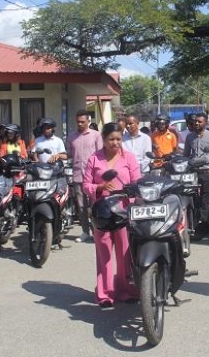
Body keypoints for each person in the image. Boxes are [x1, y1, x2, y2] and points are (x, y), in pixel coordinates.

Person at [83, 122, 140, 309]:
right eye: (111, 139)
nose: (115, 143)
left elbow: (137, 182)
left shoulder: (129, 158)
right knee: (104, 254)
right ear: (103, 139)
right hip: (103, 212)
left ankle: (126, 291)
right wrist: (99, 187)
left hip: (124, 211)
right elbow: (86, 185)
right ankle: (105, 294)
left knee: (125, 253)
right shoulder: (94, 159)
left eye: (118, 139)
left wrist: (132, 195)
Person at [67, 109, 103, 243]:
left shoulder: (96, 135)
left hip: (94, 178)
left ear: (88, 121)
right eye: (78, 122)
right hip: (78, 176)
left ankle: (97, 231)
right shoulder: (71, 136)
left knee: (95, 205)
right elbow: (69, 154)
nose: (80, 124)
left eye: (83, 121)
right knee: (81, 207)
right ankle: (85, 231)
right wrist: (58, 155)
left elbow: (101, 155)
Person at [183, 113, 209, 237]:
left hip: (207, 172)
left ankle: (203, 226)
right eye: (195, 122)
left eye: (199, 121)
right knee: (192, 199)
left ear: (205, 123)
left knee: (205, 201)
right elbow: (186, 155)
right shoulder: (189, 137)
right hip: (193, 173)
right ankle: (191, 225)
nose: (196, 123)